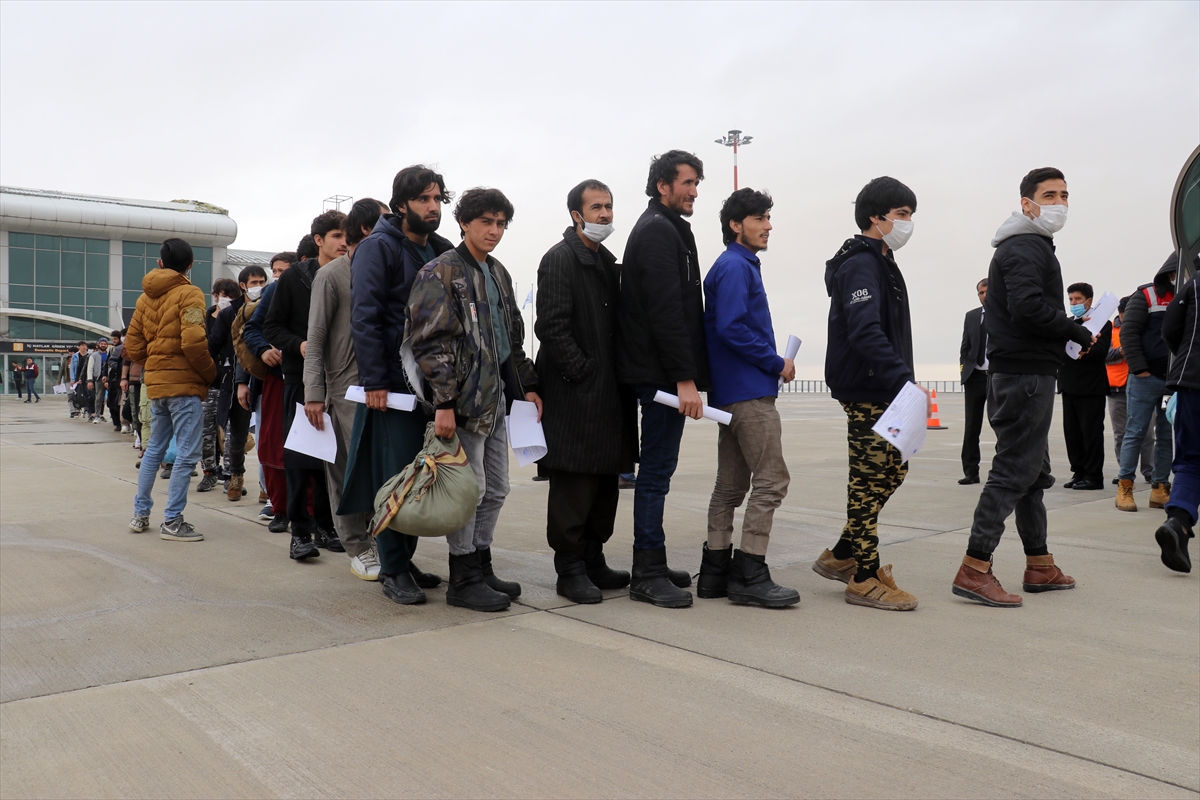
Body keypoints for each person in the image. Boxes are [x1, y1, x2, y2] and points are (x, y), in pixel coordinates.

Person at [953, 167, 1093, 608]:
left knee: (1034, 473)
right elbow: (1027, 306)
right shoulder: (1025, 246)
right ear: (1027, 204)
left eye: (1065, 195)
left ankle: (1040, 564)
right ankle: (975, 567)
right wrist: (1075, 331)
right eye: (1049, 195)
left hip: (1028, 372)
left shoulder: (1032, 245)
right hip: (1024, 376)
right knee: (1014, 470)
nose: (1059, 203)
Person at [408, 186, 539, 612]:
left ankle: (481, 563)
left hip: (497, 396)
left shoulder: (498, 272)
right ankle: (462, 576)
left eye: (501, 223)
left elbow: (511, 339)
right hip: (463, 401)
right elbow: (431, 343)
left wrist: (526, 385)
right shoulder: (439, 272)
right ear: (463, 222)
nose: (495, 231)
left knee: (498, 488)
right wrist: (444, 403)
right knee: (471, 489)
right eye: (486, 222)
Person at [346, 168, 457, 601]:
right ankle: (392, 568)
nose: (433, 207)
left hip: (431, 386)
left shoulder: (440, 248)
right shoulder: (379, 247)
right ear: (401, 204)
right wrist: (374, 379)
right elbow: (366, 317)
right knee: (395, 476)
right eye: (424, 199)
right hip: (391, 387)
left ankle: (403, 559)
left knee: (419, 477)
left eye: (437, 199)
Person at [814, 175, 922, 611]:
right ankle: (863, 575)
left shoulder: (881, 259)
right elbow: (864, 331)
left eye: (911, 215)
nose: (908, 223)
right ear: (875, 218)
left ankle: (842, 553)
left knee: (893, 470)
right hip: (868, 387)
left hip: (885, 386)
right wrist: (903, 378)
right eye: (901, 215)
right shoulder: (860, 264)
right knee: (867, 479)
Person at [535, 179, 636, 604]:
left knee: (604, 485)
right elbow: (551, 327)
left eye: (609, 206)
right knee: (574, 484)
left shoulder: (604, 261)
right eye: (596, 207)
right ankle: (570, 568)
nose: (605, 215)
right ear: (576, 214)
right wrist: (585, 373)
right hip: (575, 396)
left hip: (608, 396)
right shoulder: (561, 260)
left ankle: (593, 558)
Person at [615, 150, 709, 609]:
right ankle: (646, 572)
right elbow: (666, 312)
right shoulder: (657, 231)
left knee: (659, 472)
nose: (693, 191)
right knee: (654, 474)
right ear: (662, 186)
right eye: (687, 183)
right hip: (659, 377)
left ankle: (653, 558)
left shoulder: (669, 229)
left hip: (662, 373)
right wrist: (683, 380)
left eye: (696, 184)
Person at [697, 188, 799, 608]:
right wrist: (776, 363)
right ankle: (751, 572)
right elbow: (732, 328)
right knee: (772, 481)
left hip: (728, 393)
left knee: (731, 485)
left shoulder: (732, 265)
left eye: (768, 217)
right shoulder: (737, 266)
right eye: (760, 218)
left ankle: (715, 571)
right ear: (736, 225)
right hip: (749, 393)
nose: (768, 225)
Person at [305, 198, 392, 583]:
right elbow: (317, 336)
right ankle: (357, 545)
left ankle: (391, 548)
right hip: (343, 387)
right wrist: (314, 393)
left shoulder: (396, 266)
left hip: (388, 386)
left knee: (388, 469)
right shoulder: (333, 275)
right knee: (345, 470)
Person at [264, 211, 347, 560]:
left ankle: (328, 528)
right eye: (336, 236)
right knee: (301, 460)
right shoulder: (295, 277)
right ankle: (300, 532)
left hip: (340, 381)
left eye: (347, 237)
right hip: (301, 381)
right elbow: (271, 326)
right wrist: (297, 345)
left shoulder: (351, 275)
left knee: (333, 460)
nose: (343, 243)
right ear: (318, 240)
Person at [125, 238, 217, 542]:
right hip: (184, 387)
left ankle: (140, 514)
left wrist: (156, 364)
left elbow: (133, 346)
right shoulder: (190, 293)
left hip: (157, 386)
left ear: (160, 263)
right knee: (187, 456)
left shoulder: (144, 299)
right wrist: (209, 373)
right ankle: (173, 521)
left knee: (154, 451)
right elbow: (193, 341)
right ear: (190, 265)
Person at [1115, 254, 1177, 512]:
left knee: (1165, 433)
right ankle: (1125, 486)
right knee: (1136, 432)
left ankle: (1160, 488)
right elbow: (1129, 333)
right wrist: (1139, 368)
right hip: (1145, 379)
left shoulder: (1186, 295)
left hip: (1171, 382)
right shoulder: (1146, 296)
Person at [243, 253, 294, 532]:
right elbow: (249, 332)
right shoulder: (275, 291)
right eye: (276, 271)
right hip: (276, 379)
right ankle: (279, 505)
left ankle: (314, 512)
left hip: (320, 381)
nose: (278, 276)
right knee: (273, 445)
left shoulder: (336, 280)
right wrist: (263, 350)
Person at [212, 265, 267, 502]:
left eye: (262, 281)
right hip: (237, 380)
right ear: (243, 286)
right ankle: (236, 475)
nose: (259, 287)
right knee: (238, 433)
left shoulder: (271, 306)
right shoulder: (228, 314)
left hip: (266, 378)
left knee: (268, 433)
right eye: (254, 282)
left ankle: (268, 483)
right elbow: (213, 347)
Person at [1157, 265, 1199, 572]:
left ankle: (1178, 521)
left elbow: (1170, 328)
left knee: (1190, 459)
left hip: (1192, 380)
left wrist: (1185, 355)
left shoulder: (1195, 283)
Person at [1058, 282, 1113, 491]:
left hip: (1091, 387)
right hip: (1069, 385)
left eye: (1078, 299)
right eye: (1071, 299)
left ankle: (1093, 476)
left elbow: (1100, 353)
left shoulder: (1102, 324)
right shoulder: (1069, 323)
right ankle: (1078, 472)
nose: (1073, 303)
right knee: (1072, 434)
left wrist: (1081, 350)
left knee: (1091, 434)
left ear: (1089, 301)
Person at [1106, 296, 1155, 485]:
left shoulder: (1148, 328)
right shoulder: (1109, 330)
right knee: (1120, 434)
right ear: (1120, 313)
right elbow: (1102, 355)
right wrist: (1120, 351)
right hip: (1117, 389)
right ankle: (1124, 472)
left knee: (1147, 434)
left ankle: (1149, 471)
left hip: (1143, 388)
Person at [198, 279, 239, 492]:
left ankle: (232, 473)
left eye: (231, 296)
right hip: (210, 383)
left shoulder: (238, 316)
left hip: (231, 382)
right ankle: (209, 472)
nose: (227, 300)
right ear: (215, 295)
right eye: (223, 295)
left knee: (232, 433)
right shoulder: (204, 319)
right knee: (206, 431)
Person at [958, 279, 989, 484]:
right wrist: (964, 372)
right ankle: (971, 472)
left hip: (997, 376)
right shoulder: (971, 316)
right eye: (980, 293)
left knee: (1000, 425)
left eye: (987, 291)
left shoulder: (1006, 314)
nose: (984, 295)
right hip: (975, 377)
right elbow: (965, 347)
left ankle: (1002, 471)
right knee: (971, 427)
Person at [86, 337, 111, 423]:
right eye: (102, 344)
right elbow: (90, 368)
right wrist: (90, 380)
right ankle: (97, 416)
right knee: (98, 398)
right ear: (98, 344)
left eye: (105, 344)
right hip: (98, 379)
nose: (103, 345)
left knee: (111, 398)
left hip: (110, 379)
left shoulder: (109, 354)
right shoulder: (94, 355)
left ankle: (111, 416)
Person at [105, 330, 126, 432]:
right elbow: (109, 361)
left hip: (125, 378)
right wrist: (119, 368)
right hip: (115, 378)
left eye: (115, 338)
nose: (114, 340)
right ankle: (117, 423)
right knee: (113, 400)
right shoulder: (117, 349)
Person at [69, 341, 88, 418]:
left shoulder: (88, 355)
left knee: (86, 394)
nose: (84, 347)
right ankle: (78, 410)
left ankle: (86, 411)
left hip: (86, 377)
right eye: (82, 345)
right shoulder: (75, 356)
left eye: (85, 345)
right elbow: (72, 368)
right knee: (78, 394)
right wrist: (73, 379)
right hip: (77, 377)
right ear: (79, 347)